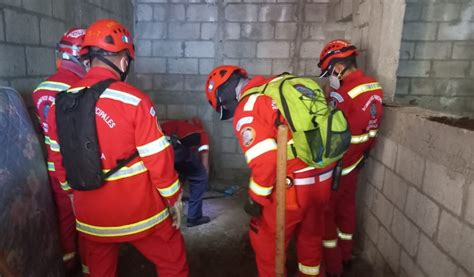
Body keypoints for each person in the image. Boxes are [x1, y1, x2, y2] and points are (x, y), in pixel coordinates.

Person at [46, 19, 189, 277]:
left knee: (99, 270)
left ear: (88, 60)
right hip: (141, 213)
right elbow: (159, 159)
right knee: (172, 259)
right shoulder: (134, 100)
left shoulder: (59, 105)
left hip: (90, 216)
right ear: (124, 62)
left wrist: (70, 193)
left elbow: (58, 159)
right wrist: (173, 197)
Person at [205, 65, 335, 276]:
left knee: (265, 239)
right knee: (311, 236)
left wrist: (256, 199)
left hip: (294, 188)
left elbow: (265, 163)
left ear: (224, 96)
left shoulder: (248, 107)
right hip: (323, 177)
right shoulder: (280, 85)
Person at [317, 39, 383, 277]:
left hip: (337, 165)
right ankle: (345, 255)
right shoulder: (373, 87)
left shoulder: (343, 93)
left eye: (329, 72)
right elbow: (371, 129)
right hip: (357, 161)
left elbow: (331, 130)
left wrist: (327, 99)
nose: (330, 77)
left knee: (326, 215)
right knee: (347, 209)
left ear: (337, 67)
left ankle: (331, 266)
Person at [31, 27, 89, 271]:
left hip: (55, 168)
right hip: (82, 168)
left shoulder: (39, 90)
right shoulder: (85, 89)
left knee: (65, 217)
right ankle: (90, 267)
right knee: (88, 222)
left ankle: (68, 263)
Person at [161, 118, 211, 227]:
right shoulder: (202, 134)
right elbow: (204, 160)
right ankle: (194, 217)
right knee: (199, 176)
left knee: (172, 176)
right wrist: (205, 181)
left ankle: (163, 217)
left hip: (159, 153)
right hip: (175, 150)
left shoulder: (172, 124)